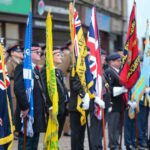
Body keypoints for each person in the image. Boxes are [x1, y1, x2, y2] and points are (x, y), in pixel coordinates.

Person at [14, 45, 49, 150]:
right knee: (26, 145)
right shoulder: (22, 67)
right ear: (29, 53)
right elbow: (19, 89)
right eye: (36, 52)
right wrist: (25, 107)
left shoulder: (35, 69)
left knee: (34, 144)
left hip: (37, 114)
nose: (39, 54)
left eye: (40, 52)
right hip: (28, 113)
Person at [41, 46, 69, 139]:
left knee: (57, 136)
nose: (61, 56)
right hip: (53, 108)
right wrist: (50, 106)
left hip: (61, 107)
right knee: (52, 137)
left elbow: (63, 89)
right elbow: (45, 90)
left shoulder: (59, 71)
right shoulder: (46, 71)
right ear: (50, 56)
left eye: (61, 54)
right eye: (58, 55)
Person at [105, 53, 128, 150]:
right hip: (113, 103)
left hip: (120, 104)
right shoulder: (109, 72)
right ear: (111, 62)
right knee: (113, 126)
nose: (120, 62)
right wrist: (123, 89)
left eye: (120, 60)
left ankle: (116, 143)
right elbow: (109, 89)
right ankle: (113, 145)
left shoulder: (118, 72)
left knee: (118, 126)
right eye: (118, 60)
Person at [6, 45, 23, 122]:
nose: (20, 52)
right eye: (17, 51)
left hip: (19, 86)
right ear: (12, 53)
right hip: (13, 87)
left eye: (20, 51)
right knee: (14, 108)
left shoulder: (19, 62)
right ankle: (13, 127)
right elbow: (7, 76)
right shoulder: (10, 63)